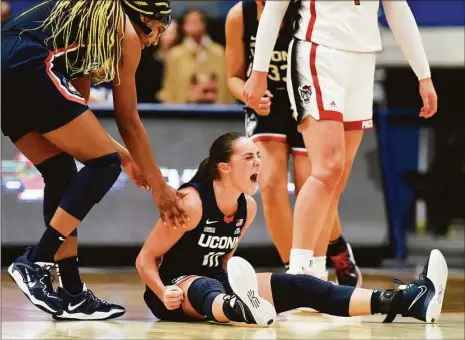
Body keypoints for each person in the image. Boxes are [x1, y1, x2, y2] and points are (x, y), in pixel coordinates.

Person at [136, 133, 447, 326]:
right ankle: (239, 308)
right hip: (173, 290)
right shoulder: (191, 203)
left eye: (259, 156)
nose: (258, 162)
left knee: (304, 285)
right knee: (206, 287)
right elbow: (145, 259)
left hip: (214, 283)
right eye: (249, 158)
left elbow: (222, 260)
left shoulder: (248, 207)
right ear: (224, 167)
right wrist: (163, 292)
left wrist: (248, 281)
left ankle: (407, 301)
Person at [2, 0, 188, 320]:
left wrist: (127, 156)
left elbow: (77, 114)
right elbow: (128, 120)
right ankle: (36, 261)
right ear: (143, 17)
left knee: (61, 171)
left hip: (7, 66)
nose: (156, 38)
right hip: (27, 62)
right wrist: (160, 187)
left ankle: (72, 293)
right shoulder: (125, 33)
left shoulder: (89, 25)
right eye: (158, 28)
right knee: (105, 164)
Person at [243, 0, 438, 276]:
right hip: (319, 53)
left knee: (337, 180)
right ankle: (298, 272)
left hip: (363, 59)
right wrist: (259, 72)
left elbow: (398, 10)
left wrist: (423, 75)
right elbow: (275, 8)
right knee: (327, 169)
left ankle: (317, 273)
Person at [225, 0, 360, 285]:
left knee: (309, 185)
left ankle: (334, 247)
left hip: (307, 98)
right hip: (267, 104)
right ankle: (296, 274)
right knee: (270, 182)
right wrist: (248, 95)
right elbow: (233, 77)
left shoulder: (308, 12)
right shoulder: (240, 15)